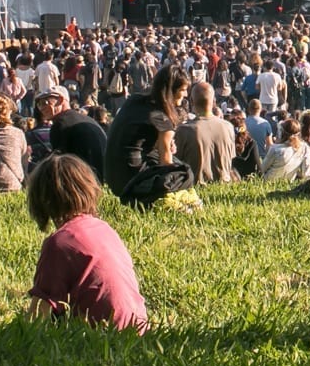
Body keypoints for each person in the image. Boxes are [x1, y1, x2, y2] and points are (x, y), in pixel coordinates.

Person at [26, 154, 147, 332]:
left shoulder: (59, 243)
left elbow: (38, 316)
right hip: (137, 330)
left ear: (42, 199)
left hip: (103, 337)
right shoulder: (103, 229)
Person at [103, 66, 189, 195]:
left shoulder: (135, 100)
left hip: (111, 174)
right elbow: (166, 162)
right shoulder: (162, 118)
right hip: (131, 182)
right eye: (183, 90)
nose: (186, 94)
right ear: (171, 91)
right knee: (185, 173)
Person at [174, 82, 237, 185]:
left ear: (192, 102)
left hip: (194, 185)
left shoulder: (184, 130)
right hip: (224, 184)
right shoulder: (228, 127)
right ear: (213, 101)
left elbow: (175, 162)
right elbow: (231, 158)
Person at [46, 86, 109, 183]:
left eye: (46, 102)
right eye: (39, 104)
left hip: (81, 182)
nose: (42, 107)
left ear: (60, 101)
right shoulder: (84, 119)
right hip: (100, 179)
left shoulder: (61, 124)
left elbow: (58, 164)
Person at [259, 118, 310, 182]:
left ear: (282, 132)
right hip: (288, 182)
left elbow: (262, 169)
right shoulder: (304, 147)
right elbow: (307, 172)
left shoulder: (275, 149)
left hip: (269, 182)